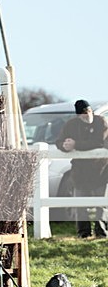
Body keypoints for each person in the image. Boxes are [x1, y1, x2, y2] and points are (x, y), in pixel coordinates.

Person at [55, 99, 108, 238]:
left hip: (100, 170)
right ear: (78, 115)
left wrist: (76, 144)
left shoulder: (101, 122)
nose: (87, 115)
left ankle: (101, 232)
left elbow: (99, 142)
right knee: (79, 204)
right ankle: (83, 234)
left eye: (89, 111)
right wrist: (64, 146)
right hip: (80, 171)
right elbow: (59, 141)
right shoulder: (71, 125)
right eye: (84, 114)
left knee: (100, 204)